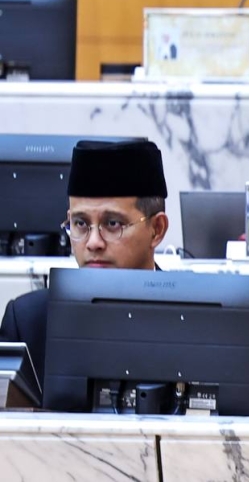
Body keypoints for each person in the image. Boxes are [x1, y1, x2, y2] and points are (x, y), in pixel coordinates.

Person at [0, 140, 170, 384]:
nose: (93, 243)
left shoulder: (194, 319)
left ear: (156, 230)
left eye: (113, 224)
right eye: (80, 223)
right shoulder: (30, 322)